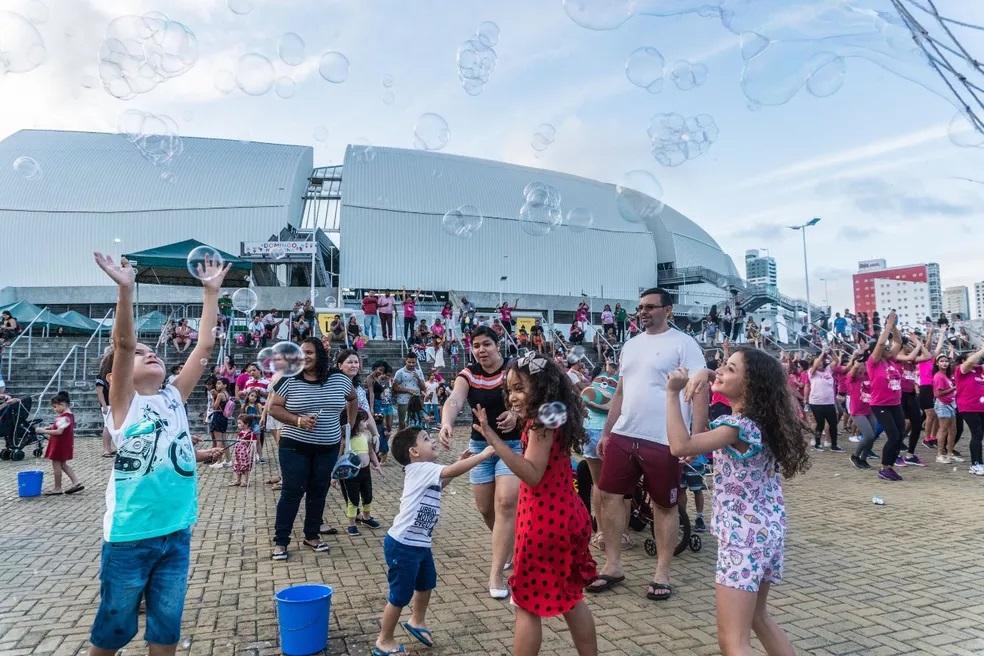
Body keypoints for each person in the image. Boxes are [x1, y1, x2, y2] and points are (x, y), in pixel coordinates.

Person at [87, 251, 225, 656]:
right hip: (130, 537)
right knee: (113, 629)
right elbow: (123, 343)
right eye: (140, 353)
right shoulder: (123, 404)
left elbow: (204, 344)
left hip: (176, 531)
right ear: (115, 376)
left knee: (166, 629)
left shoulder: (173, 397)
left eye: (154, 351)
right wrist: (125, 290)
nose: (150, 353)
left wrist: (210, 293)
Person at [665, 347, 809, 656]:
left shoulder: (736, 427)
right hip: (766, 532)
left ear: (751, 385)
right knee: (758, 617)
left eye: (730, 369)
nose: (720, 371)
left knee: (733, 642)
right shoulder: (761, 423)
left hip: (743, 538)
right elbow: (701, 429)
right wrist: (705, 374)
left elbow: (680, 446)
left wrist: (672, 393)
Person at [472, 353, 598, 656]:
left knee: (526, 605)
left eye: (519, 388)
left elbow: (531, 474)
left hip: (544, 523)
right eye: (509, 390)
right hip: (568, 516)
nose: (513, 397)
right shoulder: (551, 414)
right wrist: (518, 417)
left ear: (541, 387)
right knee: (572, 598)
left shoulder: (540, 424)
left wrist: (493, 439)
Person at [587, 287, 708, 601]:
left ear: (668, 310)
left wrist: (696, 438)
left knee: (664, 505)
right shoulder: (630, 345)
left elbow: (699, 389)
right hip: (625, 433)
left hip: (665, 438)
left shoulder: (684, 343)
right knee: (610, 497)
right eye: (640, 307)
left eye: (651, 307)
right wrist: (607, 432)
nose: (643, 312)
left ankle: (662, 573)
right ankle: (613, 565)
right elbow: (620, 392)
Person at [372, 428, 495, 656]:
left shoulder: (424, 471)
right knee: (399, 596)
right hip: (404, 545)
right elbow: (450, 471)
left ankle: (417, 621)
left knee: (426, 583)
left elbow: (443, 480)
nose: (432, 441)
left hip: (420, 543)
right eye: (426, 439)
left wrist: (459, 462)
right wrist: (483, 455)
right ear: (414, 452)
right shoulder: (420, 468)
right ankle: (384, 640)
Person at [439, 325, 521, 599]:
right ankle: (508, 545)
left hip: (512, 445)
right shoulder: (469, 374)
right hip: (479, 447)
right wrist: (446, 423)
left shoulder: (512, 369)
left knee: (506, 502)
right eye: (476, 346)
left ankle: (496, 573)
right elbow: (454, 399)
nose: (481, 350)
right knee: (485, 508)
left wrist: (516, 415)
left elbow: (526, 400)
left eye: (487, 344)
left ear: (498, 345)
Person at [267, 337, 358, 560]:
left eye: (308, 352)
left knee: (319, 490)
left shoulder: (339, 379)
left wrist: (349, 425)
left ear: (320, 354)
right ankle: (281, 541)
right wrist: (298, 420)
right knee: (292, 491)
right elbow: (274, 408)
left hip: (328, 447)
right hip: (294, 447)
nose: (303, 357)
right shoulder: (289, 379)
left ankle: (312, 535)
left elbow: (352, 398)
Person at [867, 311, 907, 481]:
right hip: (880, 404)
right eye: (884, 348)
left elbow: (898, 341)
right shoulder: (873, 363)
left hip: (895, 403)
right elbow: (881, 342)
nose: (888, 348)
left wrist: (894, 326)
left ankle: (890, 465)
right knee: (893, 435)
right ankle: (885, 468)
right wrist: (888, 325)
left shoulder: (890, 360)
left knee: (900, 434)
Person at [341, 409, 382, 536]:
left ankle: (366, 517)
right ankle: (352, 524)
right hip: (351, 473)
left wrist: (377, 465)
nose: (367, 423)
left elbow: (371, 452)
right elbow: (339, 458)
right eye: (363, 421)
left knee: (367, 495)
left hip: (365, 472)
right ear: (355, 422)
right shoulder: (346, 439)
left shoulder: (366, 436)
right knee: (353, 498)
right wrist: (335, 476)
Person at [36, 390, 84, 495]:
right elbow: (59, 426)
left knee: (56, 465)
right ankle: (76, 482)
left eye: (55, 407)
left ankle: (57, 488)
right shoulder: (69, 415)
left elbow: (59, 431)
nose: (54, 409)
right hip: (65, 443)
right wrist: (50, 427)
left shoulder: (64, 417)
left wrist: (43, 431)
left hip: (59, 444)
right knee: (63, 464)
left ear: (62, 404)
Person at [954, 343, 984, 475]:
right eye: (973, 356)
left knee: (980, 434)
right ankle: (975, 464)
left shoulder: (979, 370)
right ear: (963, 360)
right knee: (977, 433)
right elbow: (970, 362)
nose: (977, 358)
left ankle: (979, 462)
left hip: (980, 407)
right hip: (968, 407)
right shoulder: (961, 369)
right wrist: (982, 350)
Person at [807, 350, 842, 452]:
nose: (820, 363)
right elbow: (815, 365)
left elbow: (836, 361)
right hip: (816, 403)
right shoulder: (812, 372)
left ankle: (834, 445)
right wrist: (822, 354)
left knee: (833, 424)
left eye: (821, 362)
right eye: (818, 362)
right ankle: (817, 443)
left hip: (829, 402)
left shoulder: (828, 370)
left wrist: (831, 352)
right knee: (820, 424)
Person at [933, 354, 959, 463]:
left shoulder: (945, 375)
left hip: (950, 404)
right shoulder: (939, 376)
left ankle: (949, 453)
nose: (944, 363)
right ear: (937, 363)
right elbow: (938, 393)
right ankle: (939, 455)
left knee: (953, 430)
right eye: (942, 361)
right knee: (943, 430)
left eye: (946, 361)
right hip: (943, 404)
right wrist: (954, 388)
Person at [393, 354, 425, 431]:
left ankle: (413, 438)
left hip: (416, 401)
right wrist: (409, 390)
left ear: (416, 362)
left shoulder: (419, 372)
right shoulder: (400, 372)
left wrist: (418, 378)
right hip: (403, 400)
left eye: (413, 362)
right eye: (409, 362)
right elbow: (395, 387)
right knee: (403, 423)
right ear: (406, 361)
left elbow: (423, 387)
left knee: (416, 422)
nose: (411, 364)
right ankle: (401, 437)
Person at [95, 358, 116, 458]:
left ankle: (109, 448)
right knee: (107, 426)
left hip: (114, 403)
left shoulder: (114, 374)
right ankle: (106, 449)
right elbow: (99, 392)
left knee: (112, 426)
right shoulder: (101, 377)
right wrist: (104, 406)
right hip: (107, 404)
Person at [230, 414, 257, 487]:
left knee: (245, 467)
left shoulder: (251, 434)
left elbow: (253, 444)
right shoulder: (241, 433)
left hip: (245, 454)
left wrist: (247, 442)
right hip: (238, 453)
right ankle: (238, 480)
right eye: (238, 423)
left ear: (246, 424)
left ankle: (245, 481)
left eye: (239, 423)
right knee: (237, 466)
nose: (238, 425)